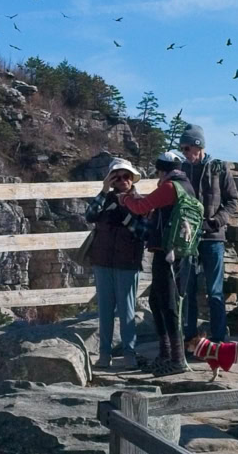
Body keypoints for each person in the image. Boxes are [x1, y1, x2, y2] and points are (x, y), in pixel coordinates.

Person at [118, 151, 195, 377]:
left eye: (158, 171)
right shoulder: (186, 185)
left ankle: (176, 359)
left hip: (167, 253)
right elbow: (156, 207)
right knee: (157, 300)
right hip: (179, 252)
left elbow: (141, 207)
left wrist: (125, 199)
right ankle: (166, 354)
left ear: (162, 170)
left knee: (168, 303)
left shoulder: (169, 187)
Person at [178, 123, 238, 344]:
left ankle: (219, 339)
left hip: (213, 237)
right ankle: (190, 339)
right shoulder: (181, 170)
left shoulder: (219, 168)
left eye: (187, 148)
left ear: (199, 145)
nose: (184, 153)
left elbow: (233, 200)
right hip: (188, 238)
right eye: (182, 149)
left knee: (215, 290)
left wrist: (217, 221)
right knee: (188, 290)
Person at [84, 157, 145, 369]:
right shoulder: (105, 199)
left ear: (132, 178)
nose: (122, 180)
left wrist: (126, 218)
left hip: (127, 262)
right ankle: (104, 354)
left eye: (126, 176)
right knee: (105, 310)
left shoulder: (140, 202)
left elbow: (145, 232)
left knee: (127, 311)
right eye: (116, 177)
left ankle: (129, 354)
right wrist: (103, 190)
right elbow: (90, 216)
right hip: (102, 261)